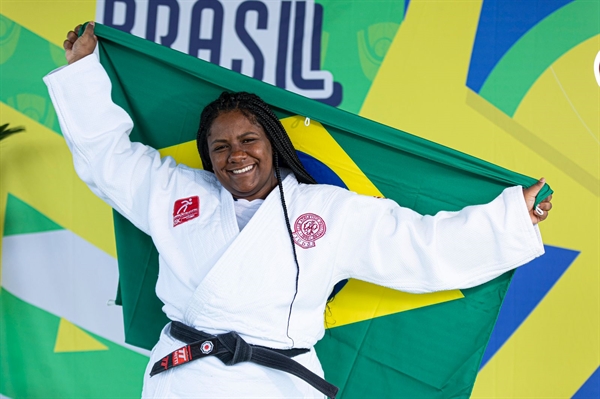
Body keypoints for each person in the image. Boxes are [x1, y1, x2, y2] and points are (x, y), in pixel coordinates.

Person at [46, 22, 552, 398]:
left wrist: (511, 217)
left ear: (276, 146)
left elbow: (419, 247)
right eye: (219, 147)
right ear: (207, 155)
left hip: (278, 384)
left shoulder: (328, 212)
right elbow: (108, 159)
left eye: (248, 139)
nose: (235, 155)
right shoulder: (177, 193)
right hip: (186, 378)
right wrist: (83, 73)